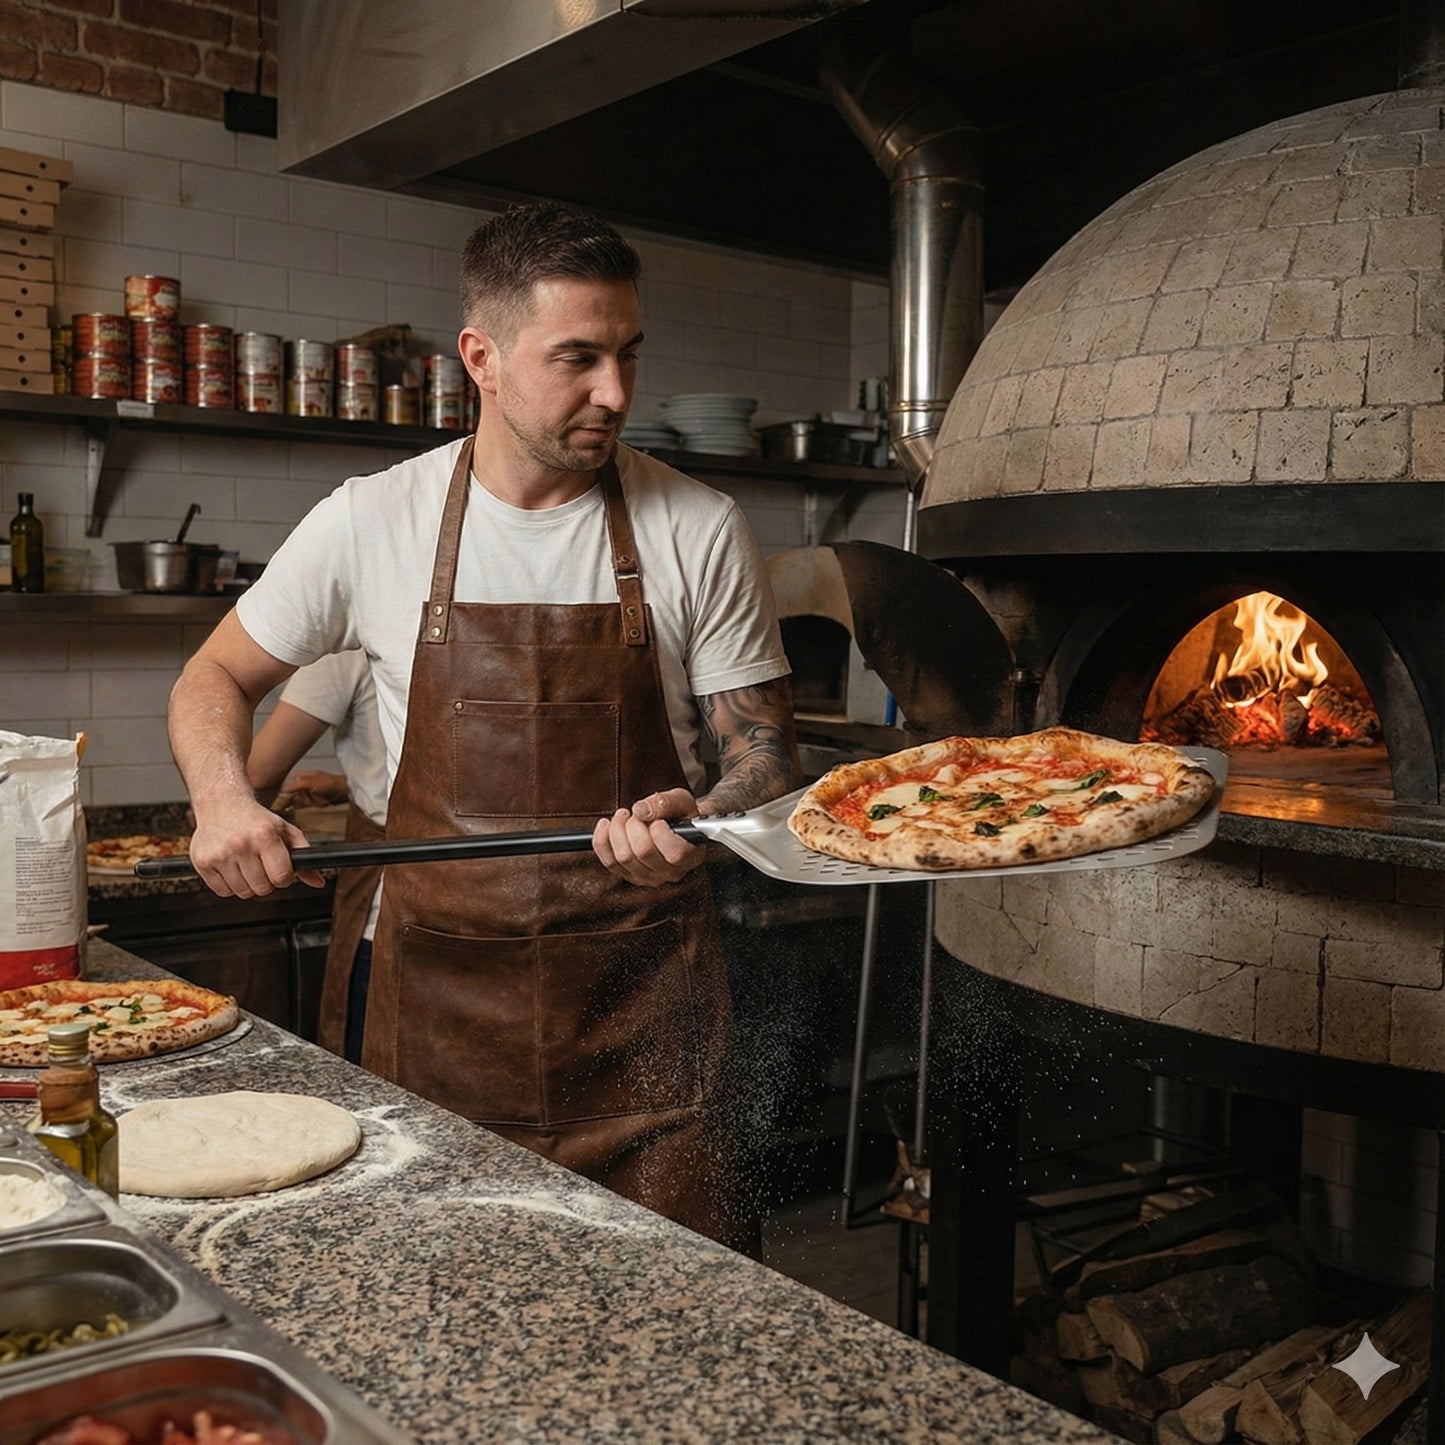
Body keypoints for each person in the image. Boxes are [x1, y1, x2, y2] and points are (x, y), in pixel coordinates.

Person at [167, 202, 801, 1250]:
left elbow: (765, 759)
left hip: (642, 1006)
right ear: (483, 358)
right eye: (578, 358)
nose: (615, 392)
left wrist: (709, 815)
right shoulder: (373, 518)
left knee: (678, 1317)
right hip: (433, 999)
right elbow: (215, 673)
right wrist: (224, 797)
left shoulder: (697, 524)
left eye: (629, 354)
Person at [244, 650, 384, 1065]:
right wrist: (349, 785)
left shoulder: (349, 646)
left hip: (393, 922)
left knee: (382, 1088)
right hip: (512, 905)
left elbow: (258, 774)